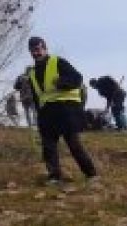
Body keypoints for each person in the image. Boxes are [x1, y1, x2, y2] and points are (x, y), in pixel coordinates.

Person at [26, 36, 98, 185]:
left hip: (66, 110)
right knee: (48, 146)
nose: (36, 53)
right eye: (33, 50)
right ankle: (54, 177)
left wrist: (61, 83)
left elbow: (77, 78)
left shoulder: (58, 62)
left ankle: (91, 174)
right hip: (47, 113)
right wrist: (39, 115)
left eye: (38, 49)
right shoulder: (32, 73)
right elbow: (36, 96)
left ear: (45, 48)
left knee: (74, 144)